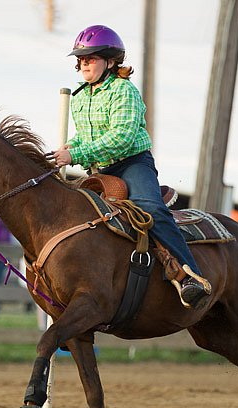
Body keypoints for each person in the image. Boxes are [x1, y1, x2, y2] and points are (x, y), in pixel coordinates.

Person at [51, 24, 210, 309]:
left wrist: (75, 156)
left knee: (151, 210)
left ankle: (190, 276)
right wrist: (68, 149)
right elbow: (86, 137)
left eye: (92, 57)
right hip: (99, 171)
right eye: (81, 58)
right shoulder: (80, 97)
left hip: (132, 164)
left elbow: (121, 138)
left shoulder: (124, 91)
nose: (84, 63)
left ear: (110, 61)